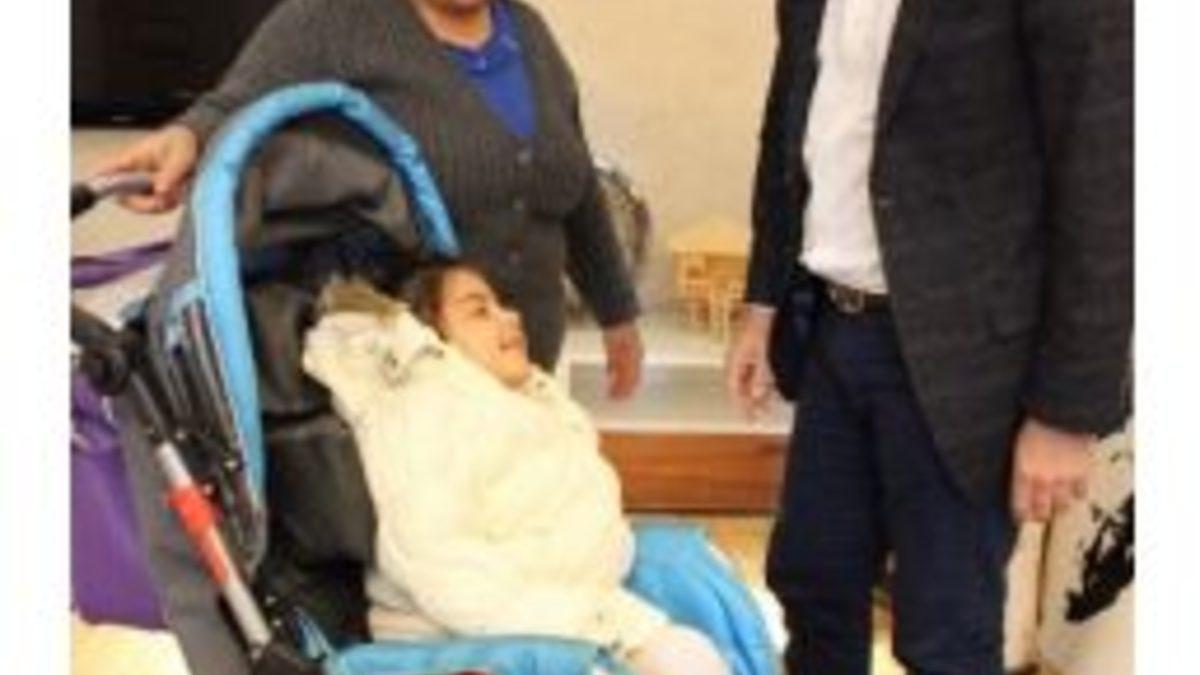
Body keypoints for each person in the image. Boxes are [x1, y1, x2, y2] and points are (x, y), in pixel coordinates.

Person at [725, 1, 1132, 674]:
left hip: (965, 357)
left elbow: (1106, 177)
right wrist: (762, 299)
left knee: (944, 630)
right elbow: (790, 122)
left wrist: (1066, 412)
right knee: (813, 583)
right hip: (830, 327)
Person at [95, 0, 643, 397]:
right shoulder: (333, 18)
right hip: (399, 385)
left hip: (523, 365)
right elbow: (233, 106)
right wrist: (187, 136)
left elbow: (576, 190)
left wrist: (617, 314)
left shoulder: (529, 32)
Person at [303, 267, 732, 675]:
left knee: (700, 588)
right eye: (479, 311)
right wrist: (607, 622)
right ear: (431, 335)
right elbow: (442, 569)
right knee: (682, 655)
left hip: (563, 606)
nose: (511, 317)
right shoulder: (422, 411)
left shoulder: (525, 402)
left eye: (502, 305)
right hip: (467, 635)